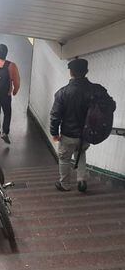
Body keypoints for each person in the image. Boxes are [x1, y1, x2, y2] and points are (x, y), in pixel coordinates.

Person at [50, 58, 95, 192]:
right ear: (86, 71)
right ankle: (81, 180)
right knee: (81, 154)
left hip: (68, 134)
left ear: (71, 72)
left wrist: (54, 133)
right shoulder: (94, 90)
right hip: (86, 133)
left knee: (64, 158)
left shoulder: (62, 93)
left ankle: (64, 184)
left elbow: (55, 115)